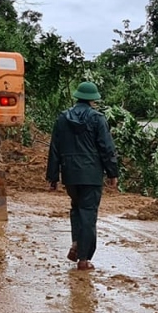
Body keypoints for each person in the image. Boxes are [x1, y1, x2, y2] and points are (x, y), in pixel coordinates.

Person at [46, 81, 119, 271]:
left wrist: (53, 177)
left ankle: (77, 243)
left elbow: (54, 148)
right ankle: (84, 259)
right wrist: (113, 173)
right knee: (88, 214)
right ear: (93, 100)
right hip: (91, 174)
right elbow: (106, 148)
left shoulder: (62, 118)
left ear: (78, 97)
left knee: (76, 209)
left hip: (70, 174)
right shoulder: (98, 119)